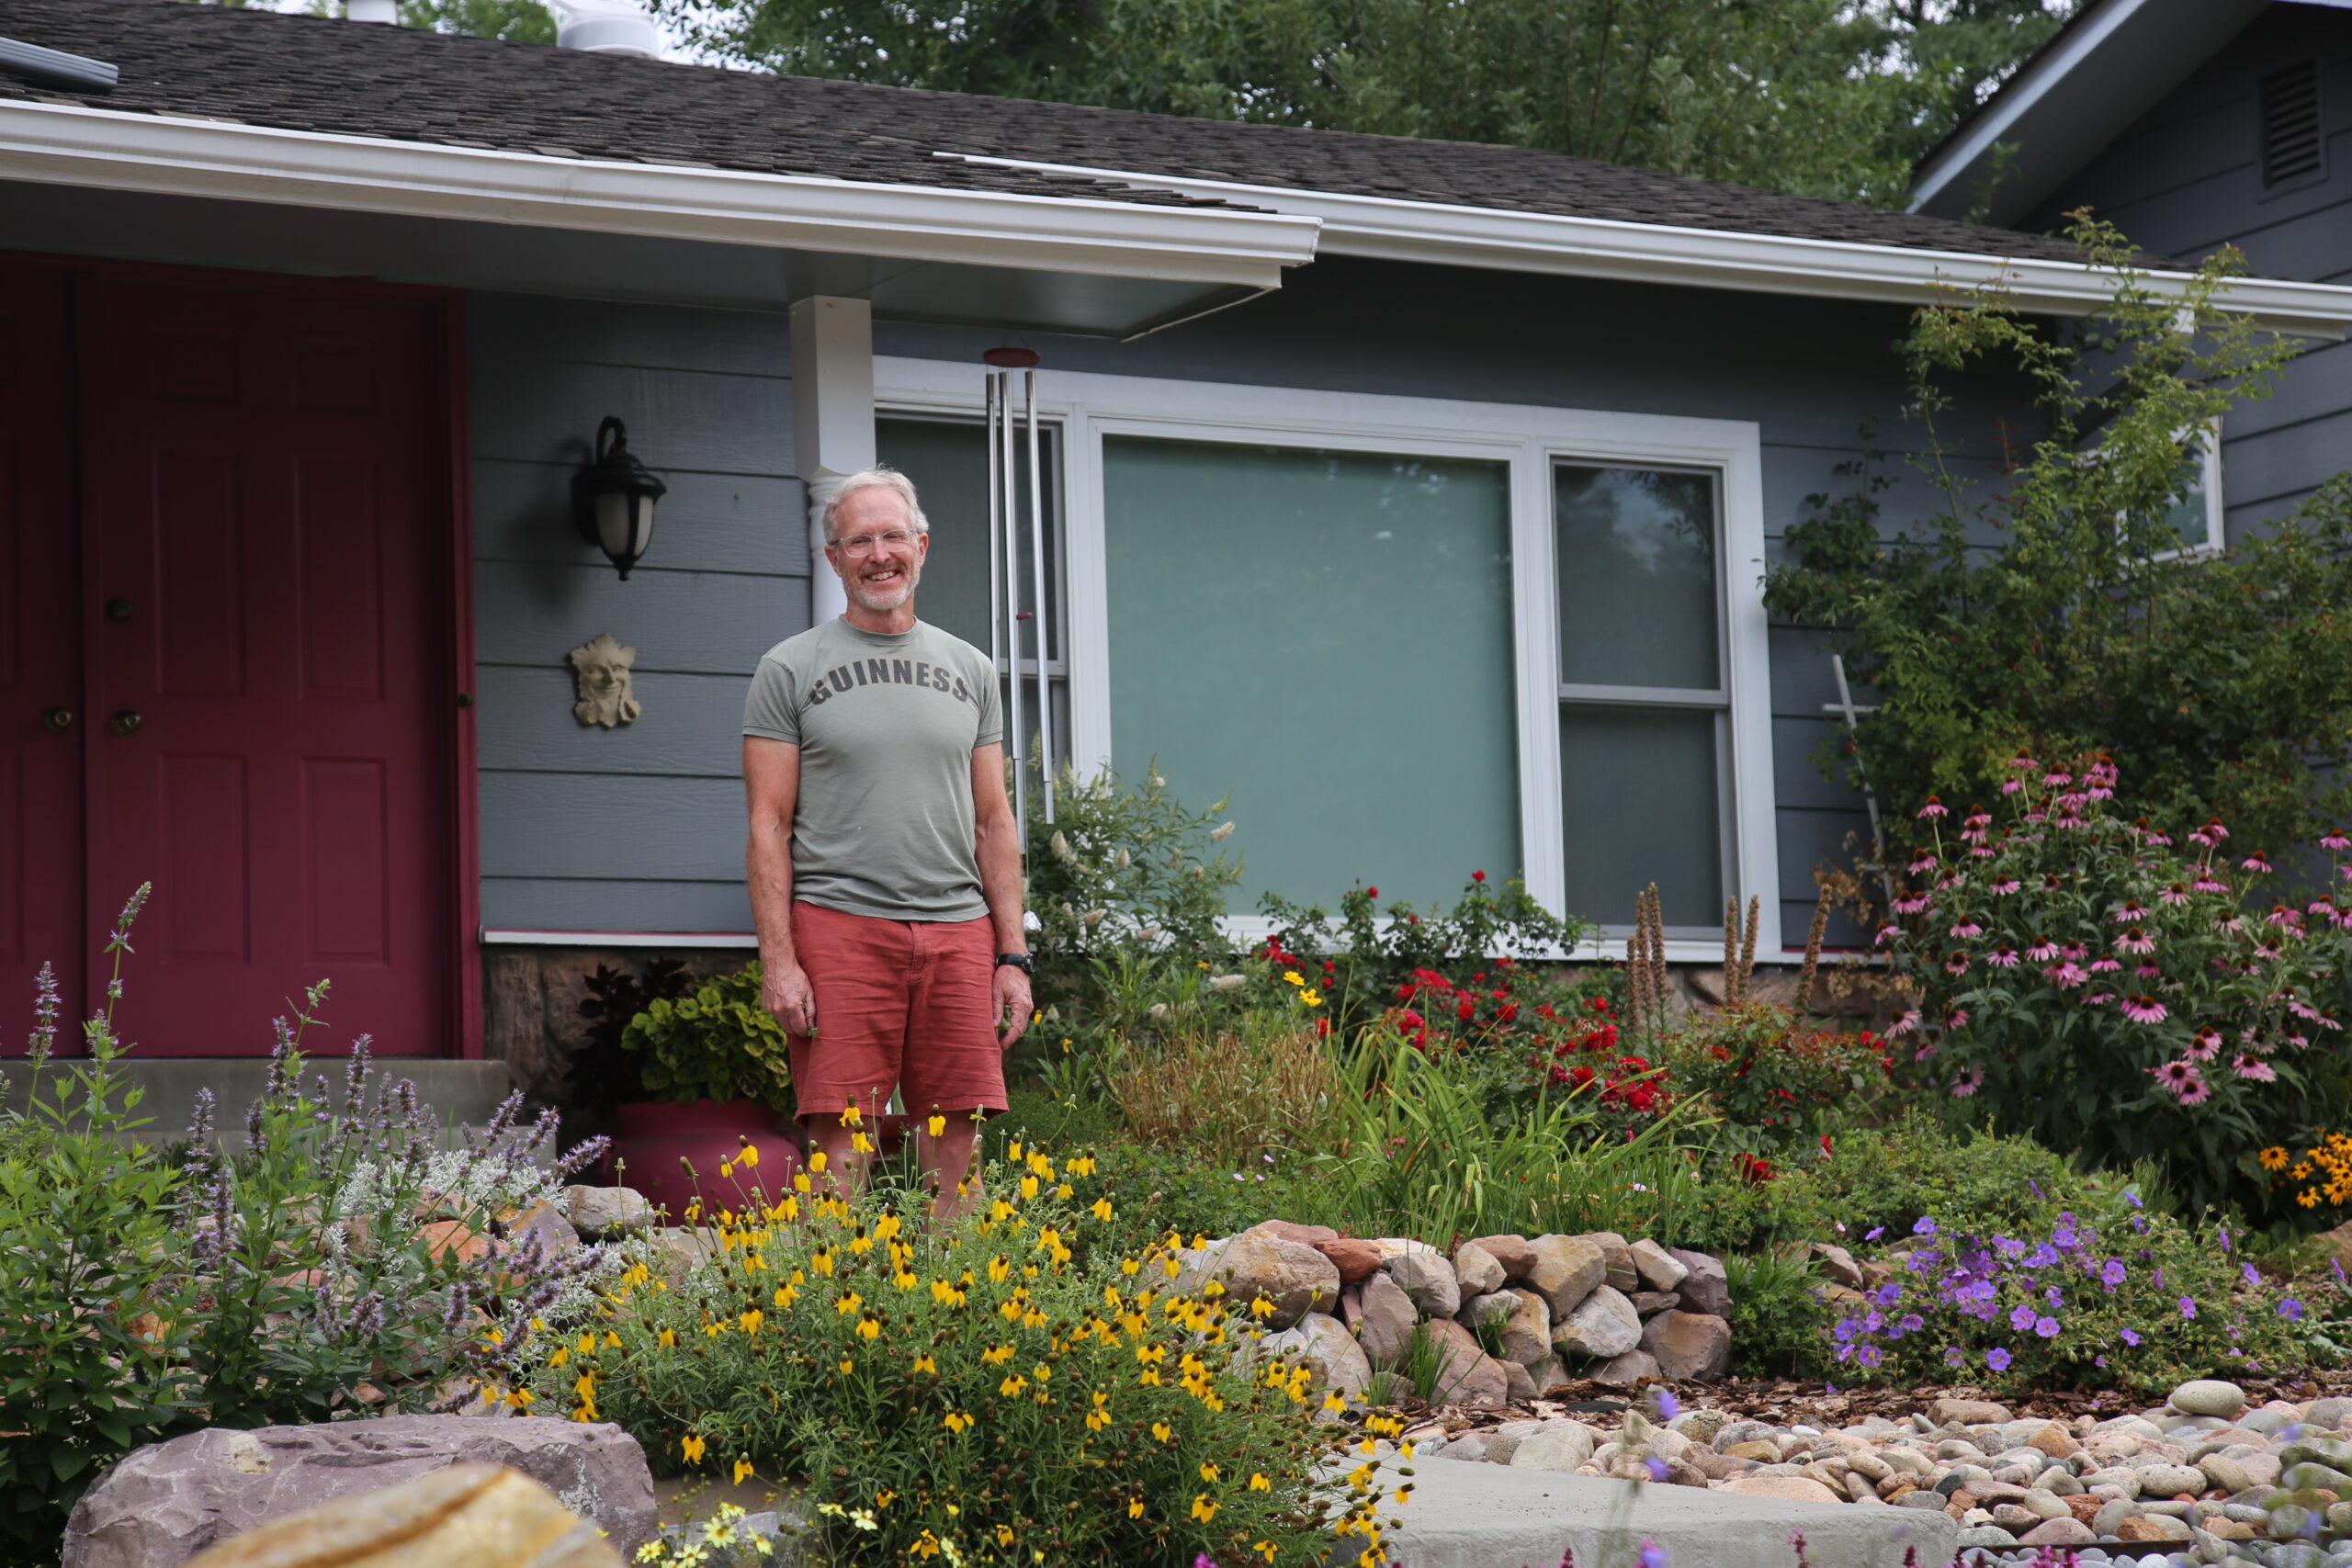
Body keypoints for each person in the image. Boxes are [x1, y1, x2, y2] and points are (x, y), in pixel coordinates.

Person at [740, 467, 1032, 1217]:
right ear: (834, 558)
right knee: (843, 1135)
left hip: (958, 931)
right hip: (838, 925)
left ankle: (956, 1312)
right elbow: (768, 824)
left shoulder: (971, 669)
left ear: (922, 547)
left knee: (957, 1132)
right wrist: (780, 960)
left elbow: (994, 821)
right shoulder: (789, 668)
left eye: (893, 535)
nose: (879, 554)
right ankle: (833, 1315)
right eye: (859, 540)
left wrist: (1012, 955)